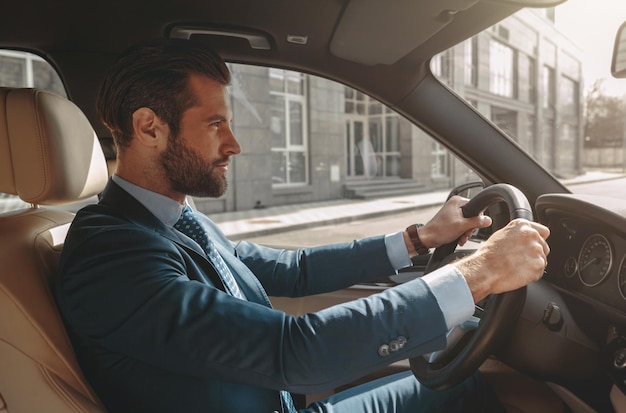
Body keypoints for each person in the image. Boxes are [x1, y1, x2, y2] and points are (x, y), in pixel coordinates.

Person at [54, 38, 550, 413]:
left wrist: (420, 239)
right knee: (498, 390)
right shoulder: (111, 254)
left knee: (483, 377)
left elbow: (292, 269)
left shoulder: (170, 219)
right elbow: (294, 350)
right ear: (149, 127)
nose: (233, 144)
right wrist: (479, 272)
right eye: (214, 124)